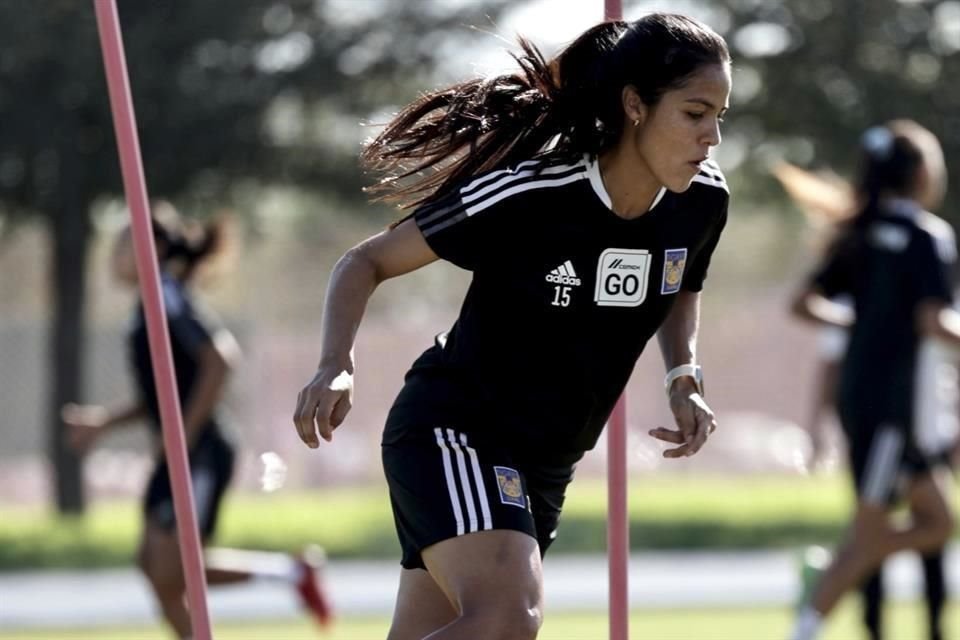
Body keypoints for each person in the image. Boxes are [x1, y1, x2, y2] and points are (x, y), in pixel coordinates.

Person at [292, 13, 730, 640]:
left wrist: (683, 374)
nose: (712, 136)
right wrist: (335, 363)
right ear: (635, 104)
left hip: (547, 465)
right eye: (694, 113)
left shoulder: (703, 201)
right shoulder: (532, 194)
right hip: (457, 431)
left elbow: (681, 281)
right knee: (507, 620)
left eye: (720, 115)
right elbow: (365, 261)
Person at [63, 203, 332, 639]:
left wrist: (182, 438)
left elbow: (220, 361)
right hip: (180, 449)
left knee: (171, 571)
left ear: (153, 248)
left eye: (122, 244)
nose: (114, 255)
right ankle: (291, 574)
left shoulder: (167, 296)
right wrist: (104, 422)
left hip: (200, 450)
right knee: (156, 567)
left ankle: (289, 576)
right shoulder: (148, 304)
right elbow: (163, 394)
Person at [785, 120, 958, 640]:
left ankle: (840, 567)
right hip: (891, 407)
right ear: (923, 173)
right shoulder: (928, 236)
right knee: (870, 532)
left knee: (940, 524)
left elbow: (802, 304)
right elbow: (933, 322)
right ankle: (809, 619)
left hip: (877, 401)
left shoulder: (858, 234)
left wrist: (860, 323)